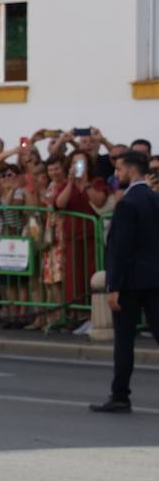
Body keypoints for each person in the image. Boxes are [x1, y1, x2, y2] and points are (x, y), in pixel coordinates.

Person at [91, 152, 159, 413]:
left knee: (124, 341)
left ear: (131, 170)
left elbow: (120, 248)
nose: (116, 175)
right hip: (155, 280)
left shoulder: (127, 203)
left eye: (119, 170)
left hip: (130, 283)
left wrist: (114, 286)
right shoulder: (155, 199)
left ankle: (120, 395)